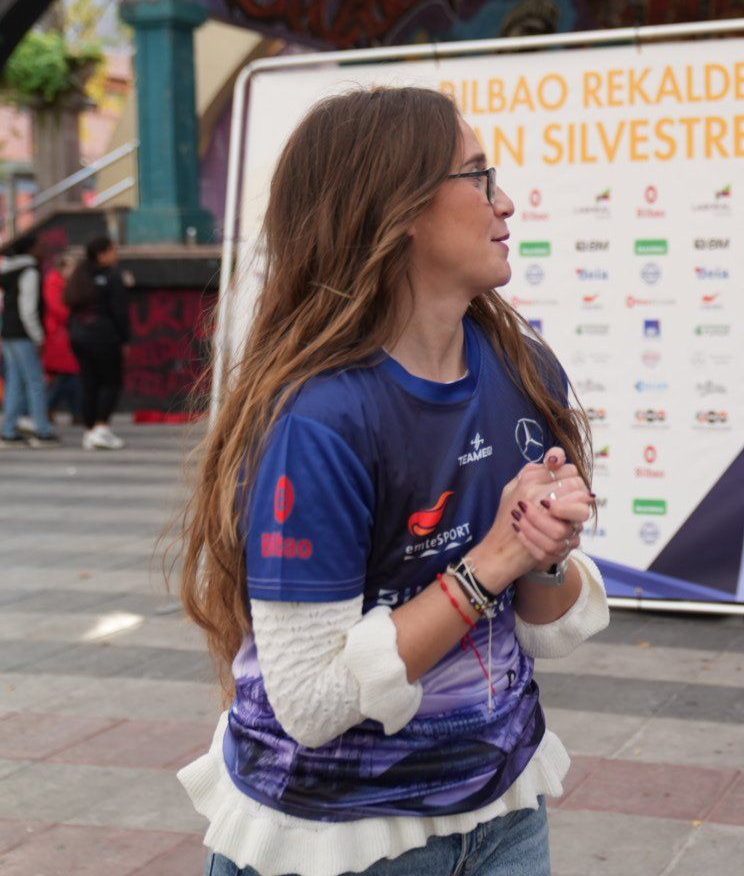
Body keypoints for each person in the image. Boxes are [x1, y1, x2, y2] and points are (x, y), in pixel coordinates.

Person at [174, 86, 607, 876]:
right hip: (340, 840)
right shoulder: (321, 416)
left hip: (503, 807)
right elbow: (310, 702)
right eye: (478, 176)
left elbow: (543, 620)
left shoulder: (522, 367)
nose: (504, 200)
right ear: (396, 209)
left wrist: (544, 549)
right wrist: (493, 562)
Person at [0, 233, 60, 448]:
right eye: (40, 245)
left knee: (14, 382)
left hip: (8, 333)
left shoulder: (7, 270)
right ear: (30, 249)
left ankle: (8, 430)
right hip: (23, 334)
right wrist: (38, 337)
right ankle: (42, 430)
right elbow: (28, 309)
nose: (44, 249)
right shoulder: (30, 271)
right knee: (35, 382)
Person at [64, 236, 131, 450]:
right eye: (113, 250)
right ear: (101, 254)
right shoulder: (113, 276)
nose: (116, 255)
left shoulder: (79, 275)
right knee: (111, 381)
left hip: (79, 336)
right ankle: (101, 427)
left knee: (89, 383)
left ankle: (90, 429)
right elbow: (119, 311)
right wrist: (125, 339)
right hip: (104, 336)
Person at [42, 250, 82, 429]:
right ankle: (52, 407)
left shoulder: (63, 282)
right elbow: (58, 309)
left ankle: (75, 412)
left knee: (70, 375)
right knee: (68, 375)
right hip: (59, 335)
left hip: (64, 334)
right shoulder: (54, 282)